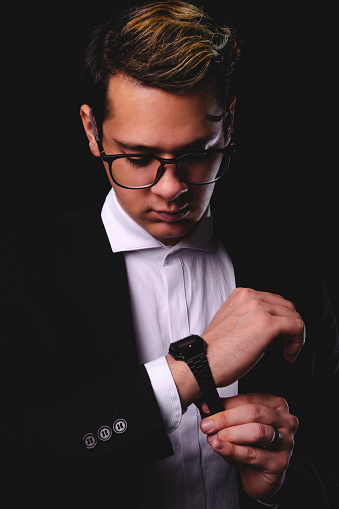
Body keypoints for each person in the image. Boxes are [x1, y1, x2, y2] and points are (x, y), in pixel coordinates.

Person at [1, 2, 338, 508]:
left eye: (198, 153)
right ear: (92, 131)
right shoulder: (20, 272)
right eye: (138, 158)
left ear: (229, 124)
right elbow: (19, 463)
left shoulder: (288, 257)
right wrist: (189, 372)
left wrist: (282, 486)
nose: (172, 189)